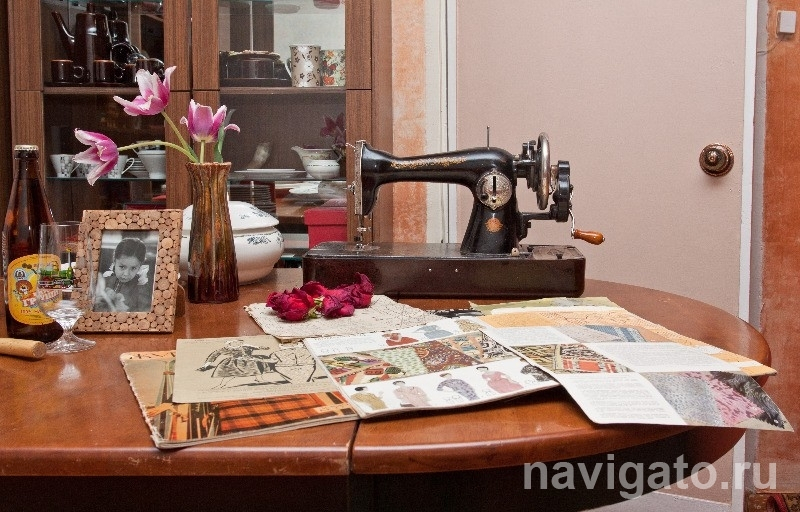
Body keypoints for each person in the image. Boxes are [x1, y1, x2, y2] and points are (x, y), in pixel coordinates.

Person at [94, 237, 153, 312]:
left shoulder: (142, 291)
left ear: (140, 266)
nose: (126, 274)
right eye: (122, 267)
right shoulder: (103, 282)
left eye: (133, 268)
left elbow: (144, 315)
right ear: (114, 261)